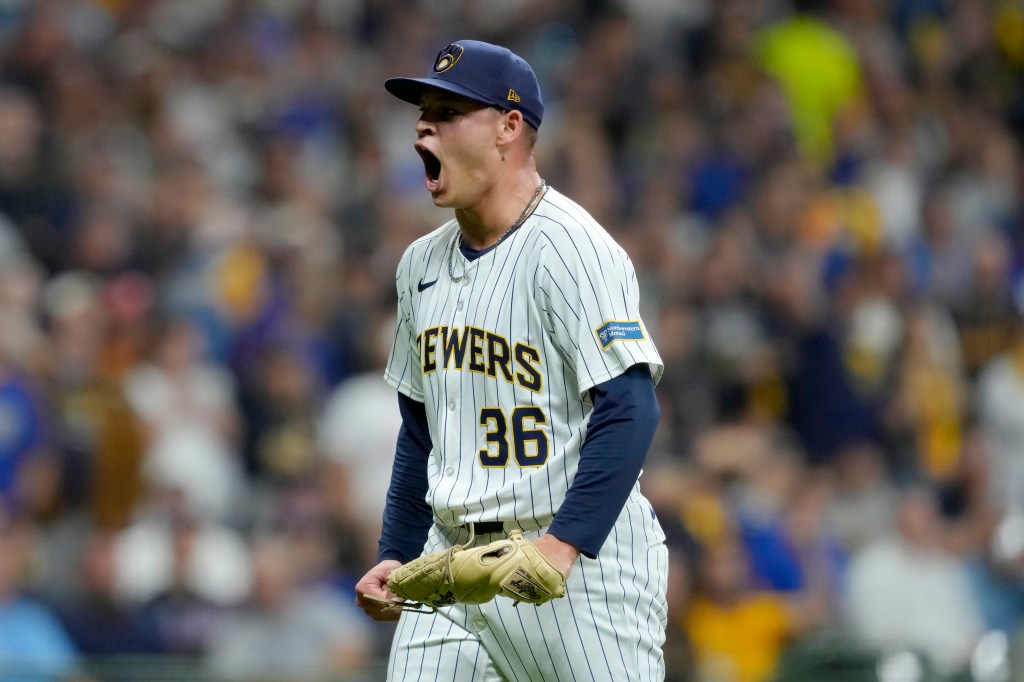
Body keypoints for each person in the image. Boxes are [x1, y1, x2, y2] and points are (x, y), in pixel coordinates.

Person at [354, 39, 669, 681]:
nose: (423, 124)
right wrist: (395, 548)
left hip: (577, 570)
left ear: (508, 127)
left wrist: (563, 544)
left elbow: (631, 407)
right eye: (423, 111)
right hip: (448, 565)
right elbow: (420, 431)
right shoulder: (418, 266)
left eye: (447, 110)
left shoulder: (574, 248)